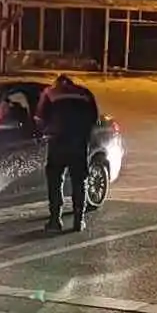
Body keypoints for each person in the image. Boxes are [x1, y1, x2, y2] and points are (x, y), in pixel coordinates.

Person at [35, 74, 100, 232]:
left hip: (58, 142)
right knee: (79, 181)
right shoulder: (85, 93)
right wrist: (85, 135)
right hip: (79, 144)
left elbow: (39, 119)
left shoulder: (50, 93)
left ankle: (55, 221)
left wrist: (43, 133)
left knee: (55, 181)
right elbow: (94, 118)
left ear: (57, 83)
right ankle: (79, 221)